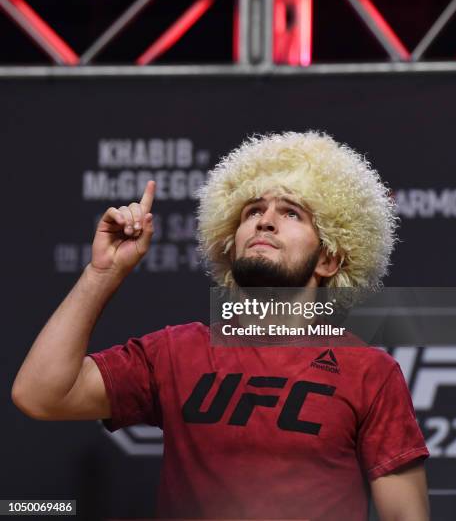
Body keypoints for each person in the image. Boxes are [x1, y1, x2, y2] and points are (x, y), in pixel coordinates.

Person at [12, 131, 430, 521]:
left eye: (291, 213)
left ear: (329, 259)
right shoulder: (176, 352)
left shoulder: (370, 372)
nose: (265, 221)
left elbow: (406, 516)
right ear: (230, 242)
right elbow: (42, 394)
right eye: (252, 211)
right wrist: (103, 273)